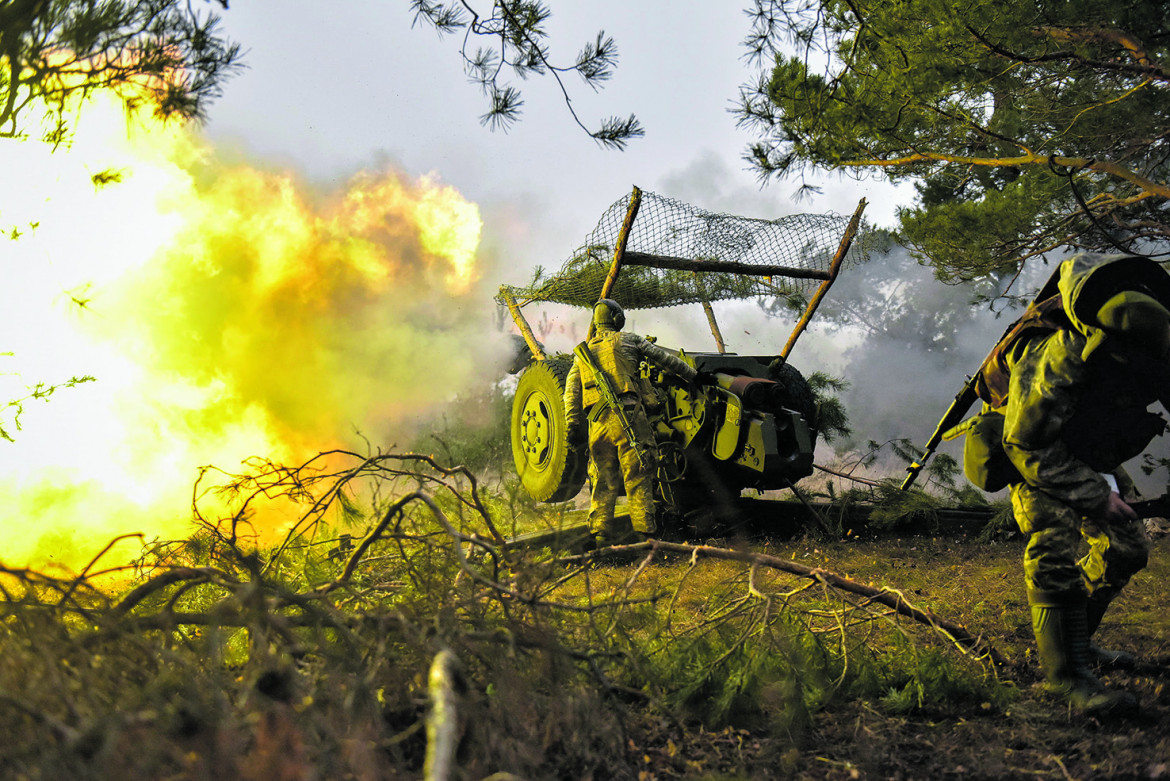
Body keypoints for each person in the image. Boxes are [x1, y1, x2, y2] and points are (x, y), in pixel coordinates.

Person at [999, 253, 1170, 715]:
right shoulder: (1057, 355)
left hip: (1092, 443)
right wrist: (1097, 498)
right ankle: (1065, 678)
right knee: (1053, 541)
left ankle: (1079, 644)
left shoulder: (1157, 344)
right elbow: (1026, 444)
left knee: (1128, 549)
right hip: (1038, 444)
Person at [563, 299, 710, 545]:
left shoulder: (583, 353)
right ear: (617, 318)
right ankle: (645, 536)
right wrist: (694, 376)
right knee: (639, 473)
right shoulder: (629, 339)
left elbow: (571, 392)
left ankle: (600, 535)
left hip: (597, 423)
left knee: (601, 478)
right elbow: (665, 359)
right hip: (629, 417)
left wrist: (572, 424)